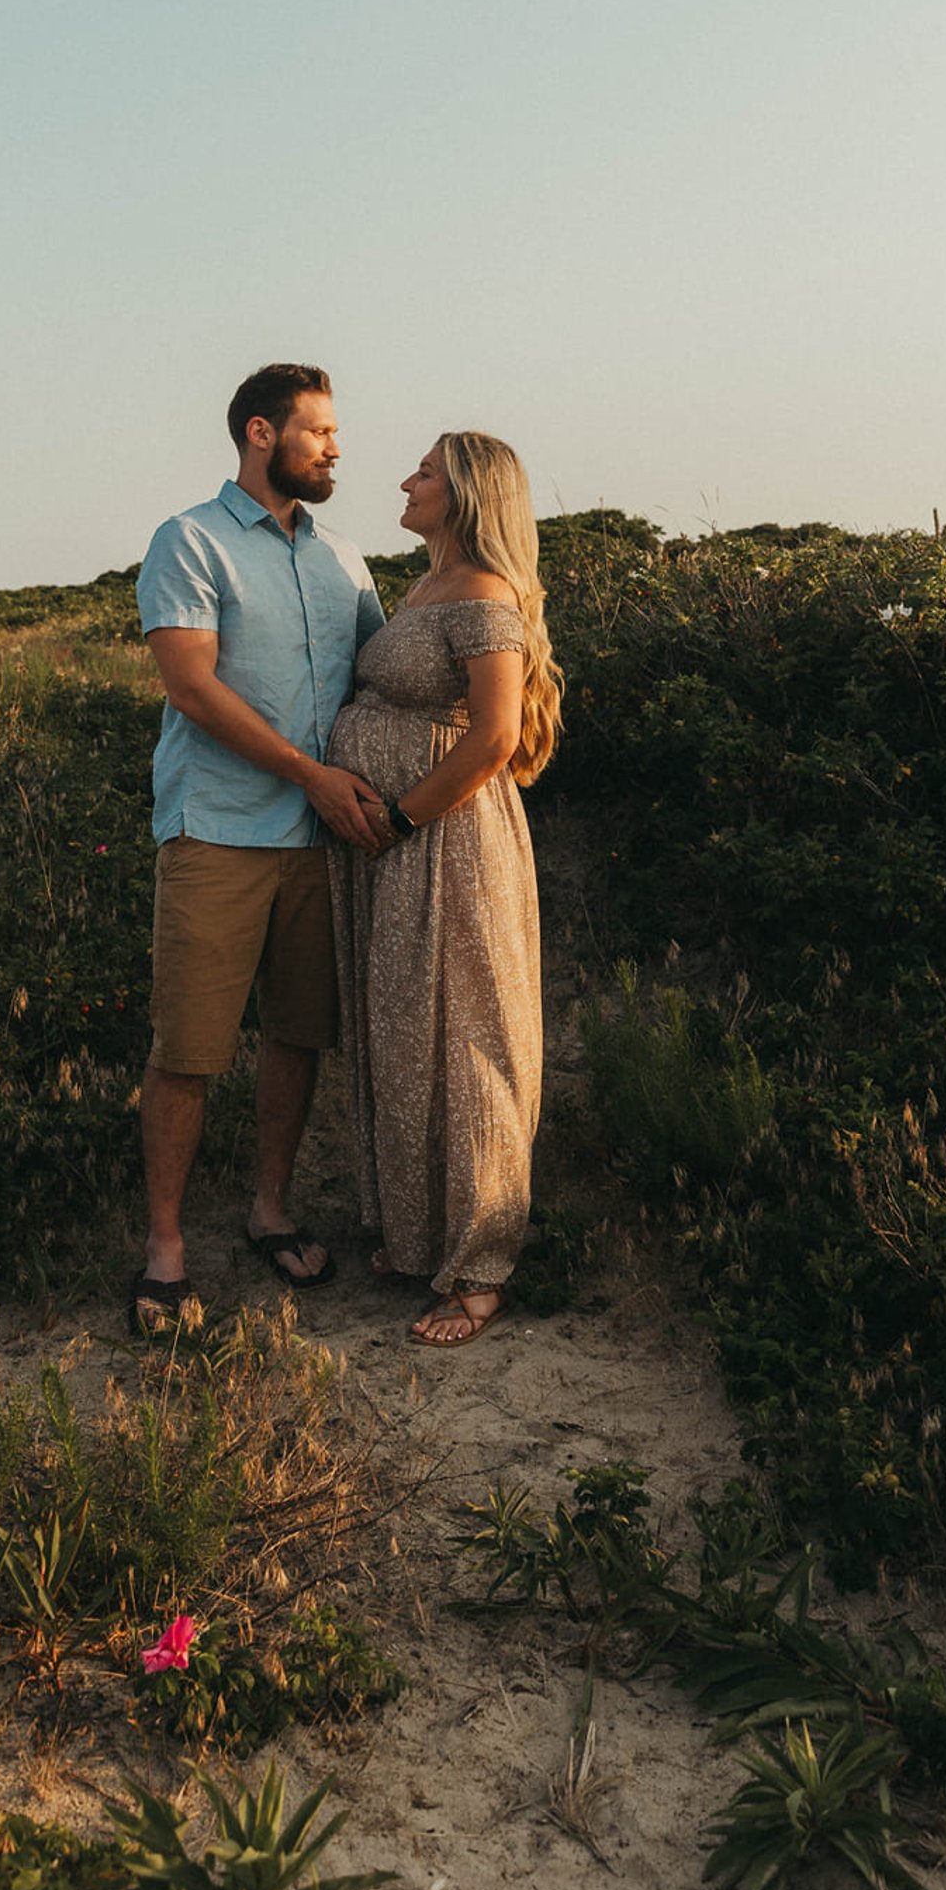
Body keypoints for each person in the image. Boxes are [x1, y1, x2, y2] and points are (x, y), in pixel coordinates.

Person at [131, 363, 390, 1334]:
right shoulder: (188, 541)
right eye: (317, 431)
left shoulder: (346, 560)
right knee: (188, 1048)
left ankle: (269, 1210)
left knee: (296, 1032)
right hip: (218, 832)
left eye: (334, 433)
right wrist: (310, 775)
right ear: (258, 433)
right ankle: (164, 1248)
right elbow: (192, 688)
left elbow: (383, 672)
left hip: (319, 845)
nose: (334, 448)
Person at [328, 431, 561, 1346]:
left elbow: (495, 735)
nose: (406, 481)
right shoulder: (424, 585)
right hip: (398, 845)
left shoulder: (485, 593)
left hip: (447, 839)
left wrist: (401, 816)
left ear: (467, 494)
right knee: (404, 1031)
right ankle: (419, 1233)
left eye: (425, 471)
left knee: (470, 1033)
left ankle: (480, 1267)